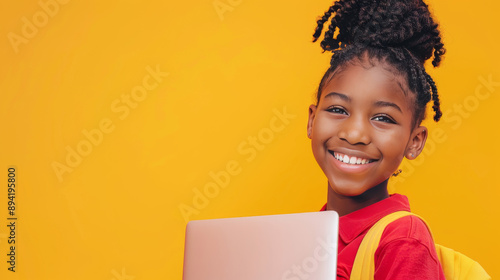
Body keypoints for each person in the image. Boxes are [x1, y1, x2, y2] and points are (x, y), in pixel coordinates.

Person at [306, 0, 447, 278]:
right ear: (311, 120)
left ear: (415, 141)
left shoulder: (402, 241)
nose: (354, 134)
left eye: (383, 118)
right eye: (337, 110)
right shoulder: (306, 234)